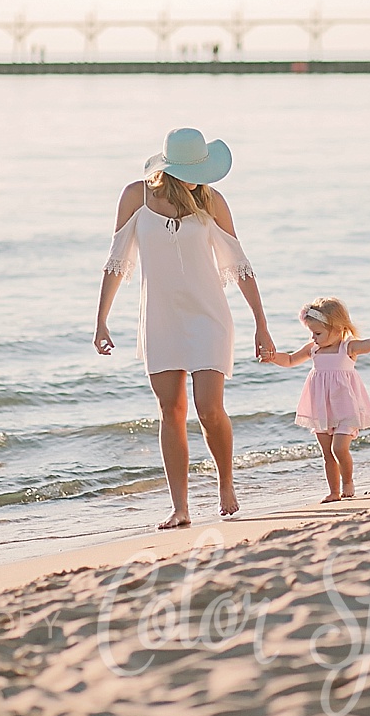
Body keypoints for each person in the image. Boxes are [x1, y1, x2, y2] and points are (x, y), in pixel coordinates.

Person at [94, 128, 276, 529]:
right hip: (160, 317)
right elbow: (116, 260)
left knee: (210, 409)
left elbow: (239, 266)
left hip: (209, 315)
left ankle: (225, 483)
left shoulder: (211, 201)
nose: (202, 177)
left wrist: (261, 324)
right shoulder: (135, 197)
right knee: (170, 410)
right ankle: (180, 507)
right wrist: (101, 319)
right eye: (195, 170)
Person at [261, 297, 370, 502]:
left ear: (338, 328)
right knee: (327, 453)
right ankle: (334, 491)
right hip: (321, 408)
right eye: (311, 333)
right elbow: (290, 360)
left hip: (345, 407)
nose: (313, 337)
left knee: (339, 448)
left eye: (318, 333)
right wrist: (272, 356)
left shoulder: (348, 348)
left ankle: (348, 482)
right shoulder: (313, 348)